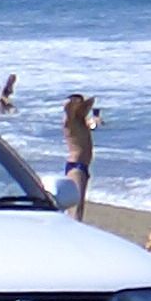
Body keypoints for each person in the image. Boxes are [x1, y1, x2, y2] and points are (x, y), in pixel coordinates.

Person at [59, 93, 101, 221]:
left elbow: (92, 123)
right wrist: (74, 102)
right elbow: (67, 108)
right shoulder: (70, 121)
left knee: (80, 205)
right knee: (76, 207)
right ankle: (73, 233)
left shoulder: (82, 122)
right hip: (76, 166)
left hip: (83, 166)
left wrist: (96, 118)